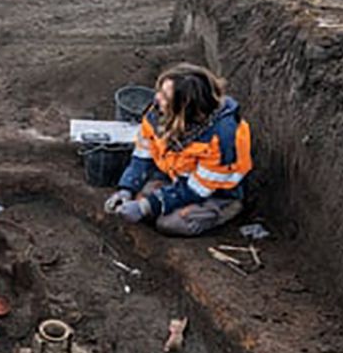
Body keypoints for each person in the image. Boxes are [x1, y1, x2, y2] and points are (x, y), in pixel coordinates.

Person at [105, 63, 252, 236]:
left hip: (216, 193)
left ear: (185, 108)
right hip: (177, 178)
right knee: (140, 200)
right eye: (160, 91)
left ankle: (226, 210)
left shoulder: (222, 138)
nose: (157, 98)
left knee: (169, 224)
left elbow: (197, 189)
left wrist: (147, 206)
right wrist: (127, 189)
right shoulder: (157, 114)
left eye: (165, 96)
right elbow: (142, 156)